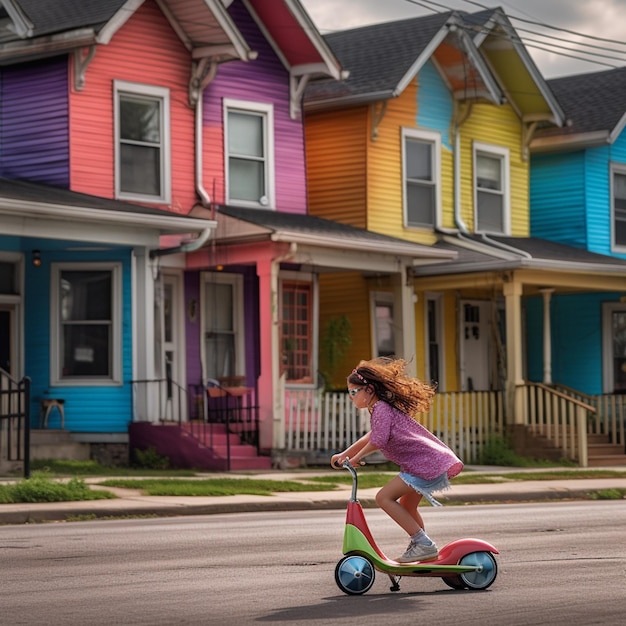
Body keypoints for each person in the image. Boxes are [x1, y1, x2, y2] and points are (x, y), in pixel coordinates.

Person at [331, 357, 463, 563]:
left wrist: (355, 458)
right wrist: (345, 454)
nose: (351, 397)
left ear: (369, 390)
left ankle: (423, 544)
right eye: (349, 393)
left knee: (383, 498)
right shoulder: (379, 409)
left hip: (423, 464)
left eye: (353, 392)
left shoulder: (381, 408)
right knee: (407, 507)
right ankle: (423, 546)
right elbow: (372, 436)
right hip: (424, 463)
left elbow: (378, 441)